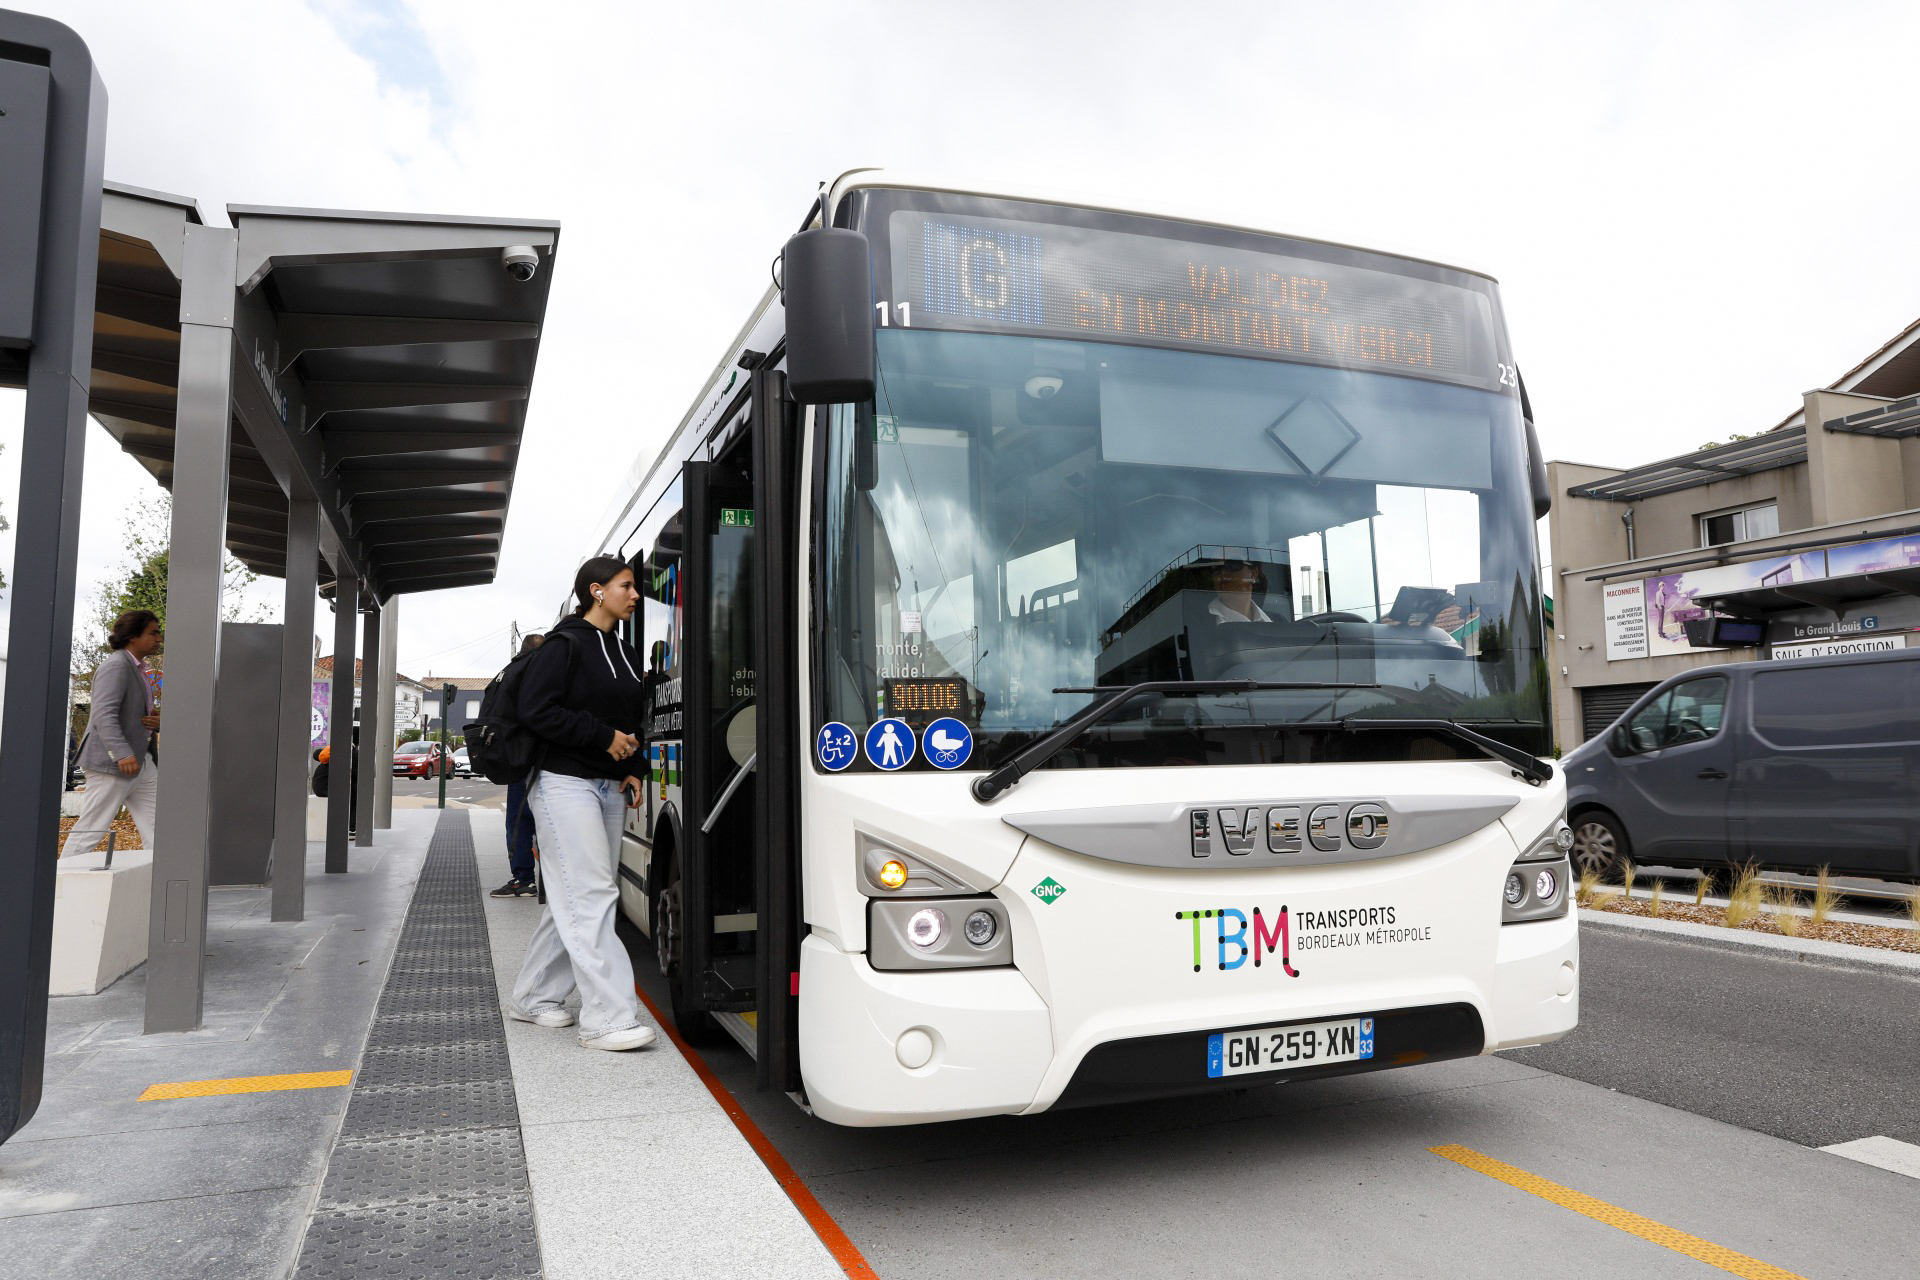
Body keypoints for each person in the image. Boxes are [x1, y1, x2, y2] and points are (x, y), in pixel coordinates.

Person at [507, 558, 657, 1052]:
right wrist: (602, 737)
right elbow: (536, 710)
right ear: (596, 591)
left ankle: (533, 997)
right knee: (591, 895)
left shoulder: (626, 652)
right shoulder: (564, 645)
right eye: (626, 586)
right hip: (562, 782)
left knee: (577, 895)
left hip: (608, 785)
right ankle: (607, 1019)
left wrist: (634, 766)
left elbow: (632, 721)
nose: (635, 595)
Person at [65, 610, 163, 857]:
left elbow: (131, 714)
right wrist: (122, 753)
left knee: (161, 829)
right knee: (91, 830)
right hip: (114, 764)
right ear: (132, 636)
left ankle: (161, 879)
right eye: (153, 633)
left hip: (142, 763)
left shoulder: (138, 669)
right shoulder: (116, 666)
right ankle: (60, 879)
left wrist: (158, 721)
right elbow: (103, 715)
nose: (159, 638)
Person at [492, 632, 545, 898]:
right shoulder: (551, 672)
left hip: (521, 759)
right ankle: (552, 878)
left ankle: (523, 878)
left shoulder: (515, 672)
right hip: (554, 760)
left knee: (519, 819)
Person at [1208, 558, 1273, 623]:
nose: (1222, 572)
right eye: (1216, 567)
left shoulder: (1270, 624)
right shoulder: (1203, 619)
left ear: (1253, 574)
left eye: (1232, 564)